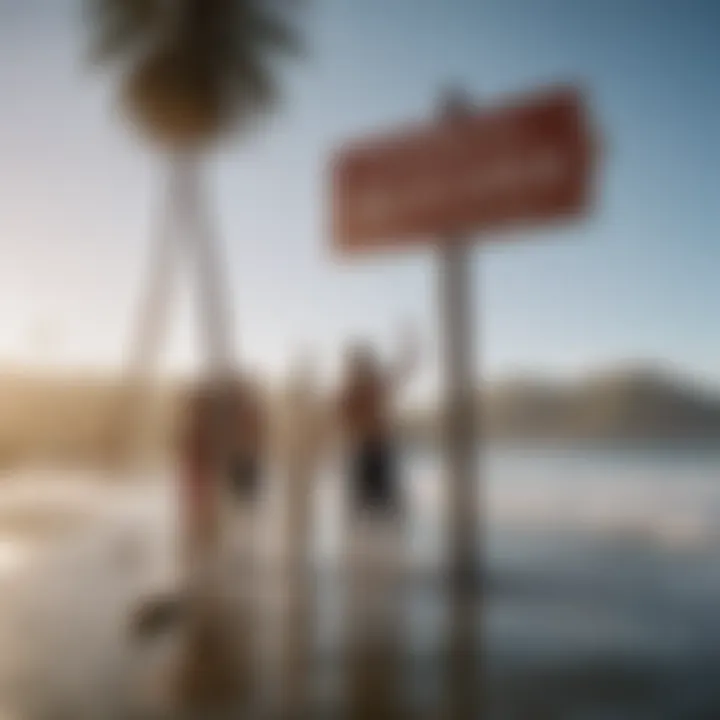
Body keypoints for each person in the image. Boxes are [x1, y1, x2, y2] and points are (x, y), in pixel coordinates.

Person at [337, 326, 420, 519]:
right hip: (368, 452)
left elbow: (403, 369)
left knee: (377, 508)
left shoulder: (365, 386)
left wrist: (409, 347)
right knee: (370, 508)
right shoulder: (356, 390)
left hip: (375, 451)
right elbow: (342, 418)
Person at [226, 373, 267, 506]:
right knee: (236, 497)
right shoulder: (234, 412)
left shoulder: (251, 412)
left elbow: (257, 434)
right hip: (238, 458)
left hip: (247, 457)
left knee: (247, 497)